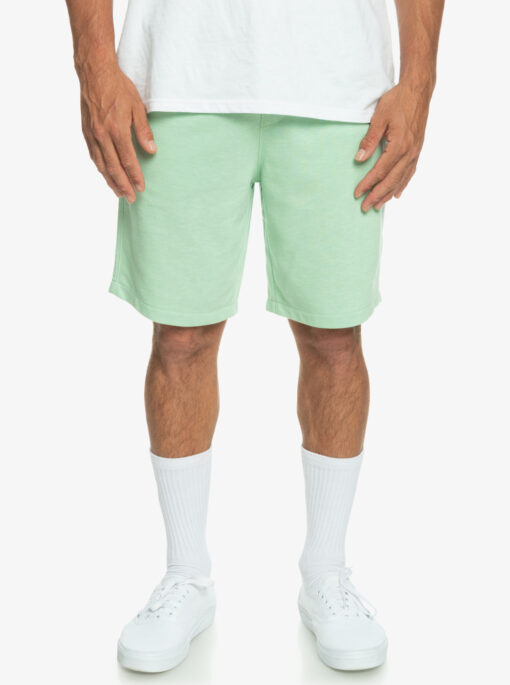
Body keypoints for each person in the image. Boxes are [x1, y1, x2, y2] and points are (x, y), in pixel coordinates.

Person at [65, 0, 444, 673]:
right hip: (179, 75)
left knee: (334, 337)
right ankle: (186, 575)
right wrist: (94, 64)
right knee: (180, 337)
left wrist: (419, 82)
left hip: (338, 84)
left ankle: (326, 573)